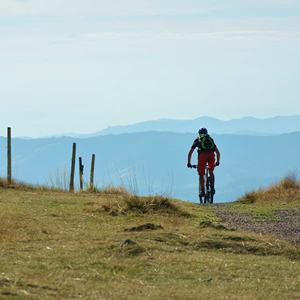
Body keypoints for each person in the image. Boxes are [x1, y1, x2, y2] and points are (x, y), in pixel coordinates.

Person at [187, 127, 220, 197]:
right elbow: (217, 152)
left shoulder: (198, 139)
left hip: (202, 156)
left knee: (201, 174)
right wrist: (217, 161)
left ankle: (202, 191)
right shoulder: (210, 139)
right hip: (211, 155)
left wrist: (189, 163)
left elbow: (190, 152)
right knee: (211, 171)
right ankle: (212, 188)